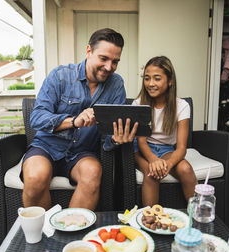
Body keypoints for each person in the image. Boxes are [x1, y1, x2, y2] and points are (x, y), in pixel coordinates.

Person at [22, 28, 138, 211]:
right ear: (88, 51)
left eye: (115, 62)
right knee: (35, 177)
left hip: (82, 153)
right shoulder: (60, 76)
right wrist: (74, 120)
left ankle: (71, 233)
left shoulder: (116, 85)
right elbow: (36, 118)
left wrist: (116, 139)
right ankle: (45, 236)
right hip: (46, 147)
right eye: (104, 58)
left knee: (92, 173)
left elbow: (109, 137)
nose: (109, 67)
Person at [132, 56, 197, 206]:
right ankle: (150, 221)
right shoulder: (139, 103)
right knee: (151, 172)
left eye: (157, 78)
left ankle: (196, 218)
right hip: (141, 149)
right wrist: (154, 161)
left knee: (186, 169)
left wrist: (166, 165)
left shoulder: (182, 106)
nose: (151, 84)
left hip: (166, 149)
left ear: (170, 80)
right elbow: (141, 142)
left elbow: (181, 148)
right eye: (147, 79)